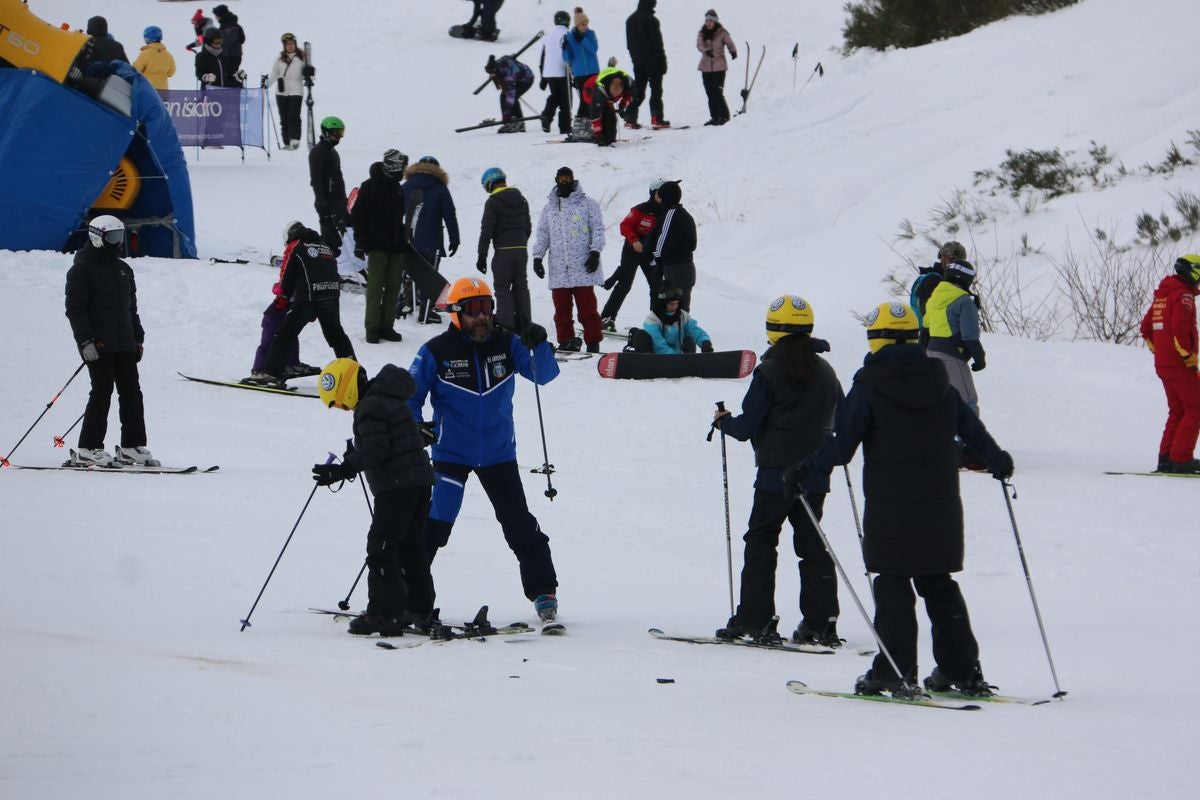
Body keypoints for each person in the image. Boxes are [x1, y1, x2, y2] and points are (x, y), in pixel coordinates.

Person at [795, 301, 1013, 697]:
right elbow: (973, 431)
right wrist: (998, 461)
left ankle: (894, 671)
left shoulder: (869, 386)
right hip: (941, 505)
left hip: (891, 506)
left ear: (876, 340)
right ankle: (961, 670)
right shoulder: (941, 382)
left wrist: (806, 470)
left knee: (893, 583)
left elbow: (842, 447)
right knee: (938, 582)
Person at [407, 277, 562, 620]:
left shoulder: (508, 344)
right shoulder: (435, 351)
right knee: (435, 526)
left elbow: (545, 375)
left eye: (487, 308)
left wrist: (540, 343)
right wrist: (416, 426)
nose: (481, 317)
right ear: (456, 313)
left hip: (498, 454)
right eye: (473, 310)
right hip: (450, 454)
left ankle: (544, 593)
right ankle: (406, 597)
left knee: (519, 525)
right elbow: (410, 395)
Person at [712, 296, 842, 645]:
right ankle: (822, 621)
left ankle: (755, 619)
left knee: (762, 540)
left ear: (773, 328)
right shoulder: (827, 370)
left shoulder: (770, 370)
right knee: (812, 545)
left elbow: (748, 426)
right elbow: (842, 417)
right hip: (815, 474)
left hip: (775, 474)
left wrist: (724, 424)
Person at [312, 358, 437, 637]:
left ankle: (385, 614)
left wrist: (342, 470)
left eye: (341, 403)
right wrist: (353, 459)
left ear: (346, 389)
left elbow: (376, 450)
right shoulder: (389, 398)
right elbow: (386, 443)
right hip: (419, 483)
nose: (346, 409)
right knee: (410, 546)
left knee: (382, 547)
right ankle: (418, 608)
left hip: (397, 485)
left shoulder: (370, 407)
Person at [64, 215, 155, 468]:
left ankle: (131, 446)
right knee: (102, 391)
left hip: (124, 342)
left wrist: (137, 338)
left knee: (132, 393)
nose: (117, 242)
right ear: (97, 237)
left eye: (119, 237)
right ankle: (88, 448)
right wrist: (86, 341)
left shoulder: (123, 269)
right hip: (99, 344)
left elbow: (131, 309)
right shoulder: (82, 268)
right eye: (112, 237)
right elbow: (75, 308)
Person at [246, 221, 355, 387]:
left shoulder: (296, 245)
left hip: (309, 297)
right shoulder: (323, 246)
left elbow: (287, 276)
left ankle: (270, 374)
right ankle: (353, 373)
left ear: (290, 235)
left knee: (285, 334)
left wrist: (283, 295)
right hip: (331, 295)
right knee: (336, 335)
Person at [531, 166, 605, 352]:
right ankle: (566, 341)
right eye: (561, 179)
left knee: (587, 309)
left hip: (583, 266)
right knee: (561, 311)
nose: (564, 182)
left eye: (567, 178)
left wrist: (595, 252)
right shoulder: (549, 208)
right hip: (558, 269)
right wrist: (537, 257)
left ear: (573, 179)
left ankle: (593, 341)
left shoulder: (588, 204)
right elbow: (543, 235)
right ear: (556, 180)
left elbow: (597, 229)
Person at [924, 258, 986, 470]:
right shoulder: (963, 301)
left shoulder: (934, 297)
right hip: (952, 357)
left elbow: (926, 326)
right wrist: (979, 357)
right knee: (967, 401)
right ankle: (970, 452)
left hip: (931, 354)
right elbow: (970, 335)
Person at [1140, 255, 1200, 473]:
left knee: (1178, 410)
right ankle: (1181, 458)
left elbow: (1146, 328)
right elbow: (1180, 328)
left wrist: (1161, 352)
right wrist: (1187, 356)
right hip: (1179, 363)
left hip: (1164, 364)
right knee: (1195, 408)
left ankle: (1166, 458)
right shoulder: (1183, 295)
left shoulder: (1162, 296)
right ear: (1192, 272)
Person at [351, 149, 409, 344]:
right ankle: (372, 328)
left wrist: (403, 238)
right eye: (399, 167)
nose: (401, 172)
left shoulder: (398, 188)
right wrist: (361, 241)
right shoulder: (369, 186)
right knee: (375, 288)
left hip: (397, 247)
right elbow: (358, 215)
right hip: (377, 246)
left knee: (394, 287)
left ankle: (387, 326)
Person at [250, 225, 318, 380]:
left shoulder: (296, 251)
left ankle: (291, 363)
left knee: (290, 336)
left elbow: (287, 280)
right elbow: (285, 282)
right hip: (275, 314)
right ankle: (258, 370)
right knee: (269, 341)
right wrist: (280, 291)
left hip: (285, 309)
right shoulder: (299, 252)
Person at [599, 179, 664, 330]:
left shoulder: (666, 212)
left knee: (656, 285)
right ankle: (606, 318)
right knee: (624, 284)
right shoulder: (640, 209)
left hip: (650, 252)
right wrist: (634, 240)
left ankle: (656, 322)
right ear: (655, 193)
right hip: (632, 249)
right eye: (662, 193)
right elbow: (625, 225)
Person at [403, 156, 460, 325]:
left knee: (410, 272)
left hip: (408, 239)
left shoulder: (406, 186)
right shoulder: (440, 188)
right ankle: (426, 312)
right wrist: (454, 239)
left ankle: (406, 305)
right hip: (431, 240)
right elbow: (449, 215)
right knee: (430, 276)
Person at [477, 166, 533, 334]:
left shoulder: (493, 202)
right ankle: (525, 324)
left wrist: (482, 254)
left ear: (489, 183)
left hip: (503, 250)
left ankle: (506, 327)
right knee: (521, 286)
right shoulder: (522, 199)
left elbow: (486, 230)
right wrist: (521, 242)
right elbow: (527, 226)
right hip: (521, 249)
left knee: (502, 288)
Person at [643, 180, 697, 310]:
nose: (658, 200)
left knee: (672, 306)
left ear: (665, 198)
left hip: (675, 268)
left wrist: (657, 260)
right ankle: (680, 329)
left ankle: (674, 329)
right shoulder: (684, 214)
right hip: (684, 266)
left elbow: (661, 241)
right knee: (681, 307)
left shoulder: (671, 214)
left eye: (660, 196)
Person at [626, 284, 713, 354]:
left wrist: (705, 342)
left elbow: (695, 330)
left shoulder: (683, 315)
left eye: (676, 303)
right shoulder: (652, 319)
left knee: (689, 338)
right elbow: (658, 343)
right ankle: (645, 361)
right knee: (641, 335)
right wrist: (671, 358)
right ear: (663, 304)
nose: (674, 307)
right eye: (671, 304)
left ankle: (688, 361)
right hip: (657, 356)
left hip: (679, 356)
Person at [625, 0, 669, 129]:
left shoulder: (630, 20)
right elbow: (657, 44)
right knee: (656, 89)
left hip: (638, 61)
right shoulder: (652, 20)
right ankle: (656, 117)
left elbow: (629, 44)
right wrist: (662, 61)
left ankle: (630, 117)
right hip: (653, 61)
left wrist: (634, 58)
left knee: (639, 91)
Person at [309, 115, 349, 255]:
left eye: (340, 133)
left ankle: (336, 260)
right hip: (327, 203)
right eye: (335, 133)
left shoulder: (332, 151)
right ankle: (324, 260)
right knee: (330, 237)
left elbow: (337, 179)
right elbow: (316, 180)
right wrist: (323, 203)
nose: (338, 137)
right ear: (326, 132)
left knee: (341, 237)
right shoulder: (318, 152)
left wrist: (344, 200)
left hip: (338, 201)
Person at [910, 241, 966, 331]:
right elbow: (927, 312)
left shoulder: (945, 279)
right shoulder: (934, 280)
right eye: (945, 258)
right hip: (931, 334)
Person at [697, 10, 737, 126]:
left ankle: (724, 116)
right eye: (706, 21)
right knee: (709, 93)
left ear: (715, 21)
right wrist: (706, 50)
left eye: (710, 21)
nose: (708, 23)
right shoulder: (702, 33)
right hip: (705, 67)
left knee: (717, 92)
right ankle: (714, 117)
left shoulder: (722, 32)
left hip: (719, 67)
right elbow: (699, 44)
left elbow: (730, 43)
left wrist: (733, 51)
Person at [268, 33, 307, 151]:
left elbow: (308, 76)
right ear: (284, 46)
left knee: (293, 116)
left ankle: (294, 140)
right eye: (287, 44)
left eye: (291, 44)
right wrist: (264, 86)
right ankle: (286, 143)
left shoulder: (302, 58)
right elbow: (274, 75)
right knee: (284, 118)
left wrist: (310, 72)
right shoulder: (279, 59)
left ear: (295, 44)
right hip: (281, 92)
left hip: (296, 91)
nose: (290, 46)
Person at [538, 10, 573, 135]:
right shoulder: (568, 34)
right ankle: (565, 127)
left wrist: (542, 76)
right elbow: (571, 54)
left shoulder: (548, 35)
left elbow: (543, 56)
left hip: (549, 72)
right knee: (566, 102)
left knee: (556, 96)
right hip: (563, 71)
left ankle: (547, 115)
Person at [562, 7, 599, 118]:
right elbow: (567, 58)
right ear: (577, 25)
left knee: (593, 98)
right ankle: (582, 120)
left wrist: (582, 40)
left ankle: (589, 120)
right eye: (583, 24)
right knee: (584, 99)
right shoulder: (570, 37)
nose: (585, 27)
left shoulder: (591, 34)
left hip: (593, 71)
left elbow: (593, 49)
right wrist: (565, 48)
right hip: (580, 73)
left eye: (586, 24)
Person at [582, 67, 634, 146]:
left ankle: (609, 137)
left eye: (617, 96)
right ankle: (600, 136)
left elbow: (632, 95)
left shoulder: (629, 83)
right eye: (612, 96)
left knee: (611, 117)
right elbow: (595, 113)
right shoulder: (600, 91)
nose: (614, 98)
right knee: (606, 115)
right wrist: (598, 133)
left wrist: (623, 105)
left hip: (605, 91)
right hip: (589, 91)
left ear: (623, 89)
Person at [485, 54, 534, 133]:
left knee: (511, 98)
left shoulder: (508, 74)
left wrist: (506, 115)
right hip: (517, 77)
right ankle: (511, 121)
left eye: (492, 73)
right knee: (503, 96)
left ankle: (519, 123)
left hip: (526, 79)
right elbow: (507, 57)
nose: (491, 74)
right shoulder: (498, 63)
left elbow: (511, 96)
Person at [132, 26, 175, 90]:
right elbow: (171, 73)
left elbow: (135, 70)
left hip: (148, 89)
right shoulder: (168, 55)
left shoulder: (145, 54)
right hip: (163, 91)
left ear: (148, 38)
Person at [211, 4, 245, 74]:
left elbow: (226, 42)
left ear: (221, 15)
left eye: (217, 15)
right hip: (227, 56)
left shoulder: (231, 26)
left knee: (229, 78)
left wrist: (213, 42)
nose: (215, 17)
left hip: (232, 57)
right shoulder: (225, 24)